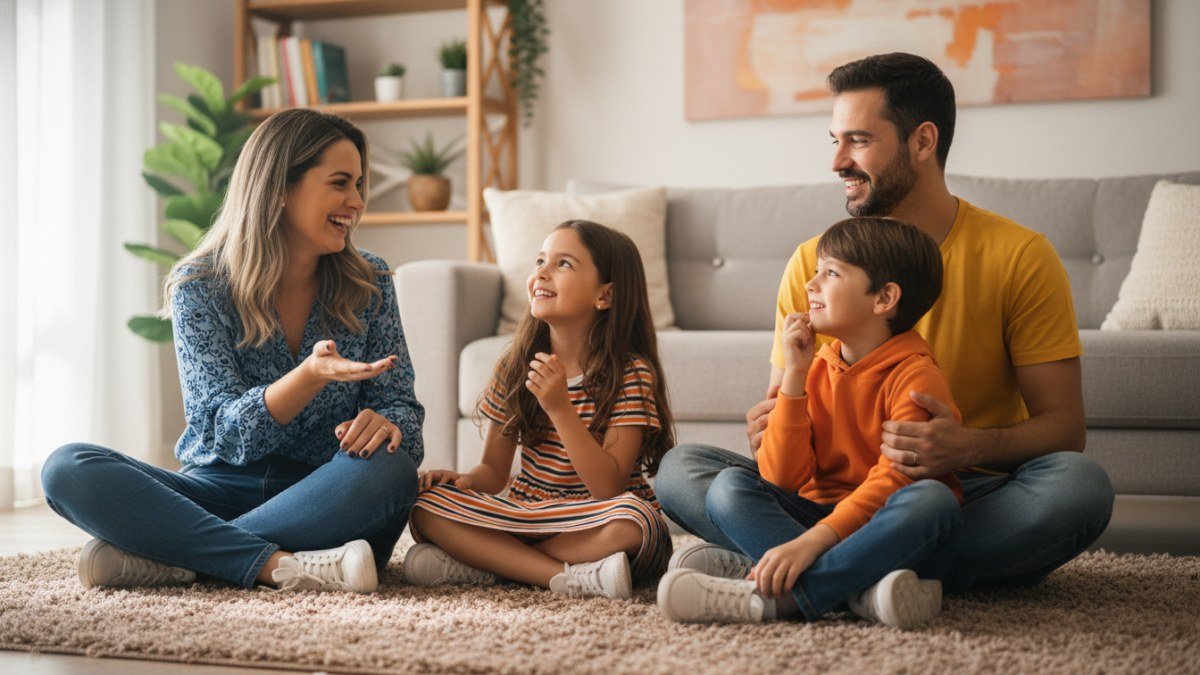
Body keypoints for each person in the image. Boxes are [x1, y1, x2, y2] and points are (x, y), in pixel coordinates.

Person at [656, 52, 1114, 597]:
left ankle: (795, 567)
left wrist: (963, 448)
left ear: (923, 141)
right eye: (835, 141)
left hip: (955, 489)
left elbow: (1064, 428)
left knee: (1078, 489)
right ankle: (878, 578)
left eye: (859, 140)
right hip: (824, 495)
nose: (837, 162)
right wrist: (777, 421)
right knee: (682, 470)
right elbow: (783, 451)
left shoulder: (1019, 256)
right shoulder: (813, 263)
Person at [40, 108, 424, 593]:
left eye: (360, 185)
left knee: (390, 471)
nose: (357, 201)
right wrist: (306, 377)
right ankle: (277, 564)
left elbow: (403, 411)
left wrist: (388, 426)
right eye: (341, 183)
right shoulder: (199, 284)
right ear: (280, 188)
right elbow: (221, 432)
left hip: (327, 492)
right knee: (67, 468)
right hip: (216, 490)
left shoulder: (369, 281)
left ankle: (177, 558)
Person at [658, 217, 961, 628]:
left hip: (886, 529)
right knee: (728, 486)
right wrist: (795, 379)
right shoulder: (816, 366)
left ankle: (779, 600)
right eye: (816, 270)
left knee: (933, 501)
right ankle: (859, 590)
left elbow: (894, 482)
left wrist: (811, 542)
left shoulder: (916, 378)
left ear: (885, 298)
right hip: (813, 517)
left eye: (831, 272)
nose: (810, 284)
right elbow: (782, 478)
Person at [405, 220, 674, 599]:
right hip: (532, 515)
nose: (541, 273)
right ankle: (560, 575)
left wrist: (560, 409)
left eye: (563, 264)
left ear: (605, 296)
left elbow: (608, 487)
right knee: (424, 505)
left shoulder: (630, 373)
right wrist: (463, 481)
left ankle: (491, 565)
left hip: (597, 518)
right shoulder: (516, 366)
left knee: (638, 522)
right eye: (540, 261)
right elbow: (494, 472)